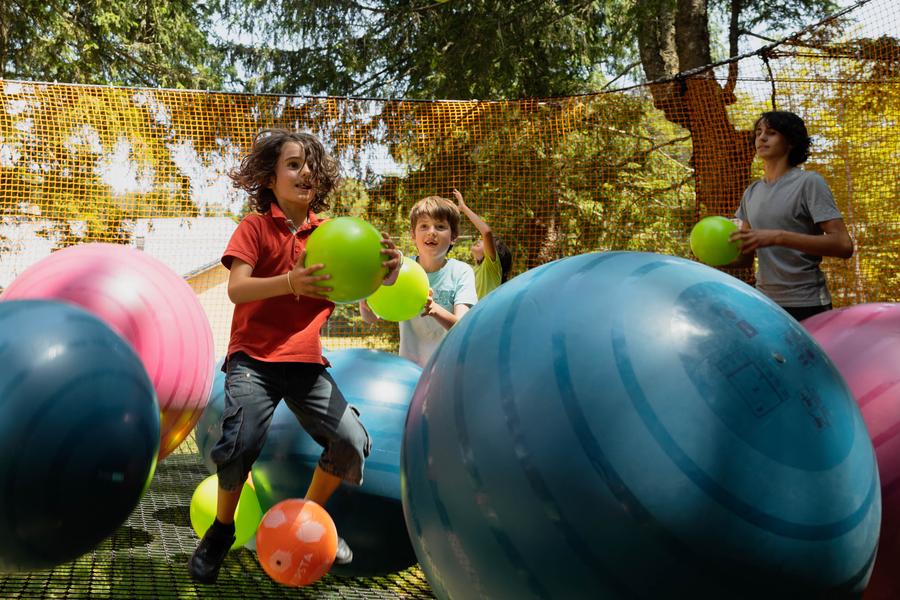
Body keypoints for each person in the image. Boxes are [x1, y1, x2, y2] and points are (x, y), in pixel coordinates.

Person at [188, 129, 402, 584]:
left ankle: (308, 519)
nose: (305, 172)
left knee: (350, 441)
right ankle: (221, 531)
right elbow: (237, 288)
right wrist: (290, 282)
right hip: (253, 360)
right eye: (292, 164)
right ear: (269, 178)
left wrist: (390, 270)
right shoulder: (255, 227)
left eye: (310, 166)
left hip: (305, 363)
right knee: (239, 445)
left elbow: (367, 280)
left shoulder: (331, 233)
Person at [729, 110, 853, 321]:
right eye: (758, 132)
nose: (762, 137)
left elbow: (843, 245)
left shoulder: (810, 182)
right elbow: (745, 257)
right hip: (765, 302)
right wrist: (709, 252)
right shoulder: (752, 192)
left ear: (791, 142)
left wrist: (779, 237)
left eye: (772, 132)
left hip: (808, 303)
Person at [359, 195, 477, 368]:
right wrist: (364, 303)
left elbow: (462, 327)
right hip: (410, 370)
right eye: (424, 226)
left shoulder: (461, 272)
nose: (431, 232)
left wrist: (434, 309)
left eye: (440, 226)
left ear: (454, 236)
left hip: (448, 370)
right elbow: (371, 318)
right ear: (413, 235)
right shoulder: (400, 270)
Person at [453, 188, 512, 298]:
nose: (480, 240)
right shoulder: (470, 270)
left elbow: (486, 232)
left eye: (488, 242)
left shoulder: (491, 267)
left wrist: (463, 208)